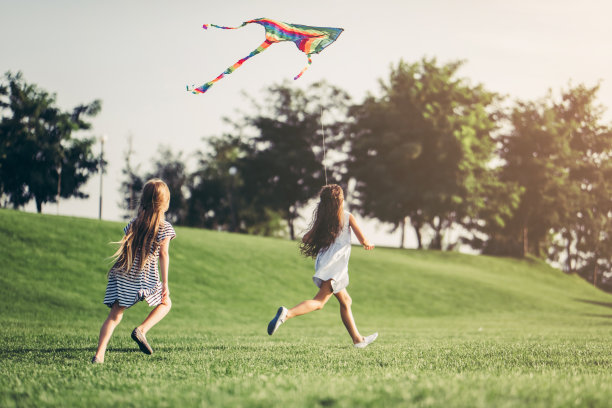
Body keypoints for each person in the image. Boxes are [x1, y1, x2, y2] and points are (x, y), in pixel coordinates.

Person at [267, 184, 378, 348]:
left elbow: (306, 239)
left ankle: (358, 340)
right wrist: (367, 243)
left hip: (326, 264)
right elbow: (363, 239)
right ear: (340, 201)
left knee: (346, 301)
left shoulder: (324, 221)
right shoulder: (347, 217)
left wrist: (323, 237)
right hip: (335, 268)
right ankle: (287, 314)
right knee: (319, 303)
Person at [92, 179, 176, 363]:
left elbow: (127, 249)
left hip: (125, 276)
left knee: (114, 316)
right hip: (147, 278)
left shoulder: (134, 224)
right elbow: (163, 254)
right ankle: (142, 330)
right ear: (165, 203)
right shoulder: (165, 228)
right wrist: (165, 284)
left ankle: (99, 355)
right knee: (166, 303)